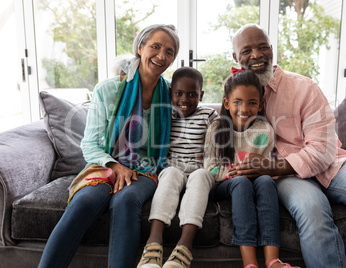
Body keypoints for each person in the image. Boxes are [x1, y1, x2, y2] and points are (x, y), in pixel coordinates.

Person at [230, 23, 346, 268]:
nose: (256, 55)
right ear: (236, 57)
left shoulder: (303, 87)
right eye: (246, 51)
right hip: (287, 178)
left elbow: (323, 149)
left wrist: (271, 166)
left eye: (262, 47)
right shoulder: (237, 94)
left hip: (331, 164)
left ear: (271, 49)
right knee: (313, 211)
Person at [38, 24, 180, 268]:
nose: (161, 56)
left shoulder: (170, 95)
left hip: (146, 168)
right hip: (106, 162)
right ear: (140, 48)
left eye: (169, 52)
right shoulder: (108, 89)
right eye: (155, 47)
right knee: (84, 202)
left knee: (125, 201)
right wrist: (116, 166)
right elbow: (90, 144)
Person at [204, 70, 299, 268]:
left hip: (255, 182)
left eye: (252, 103)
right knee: (241, 182)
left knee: (265, 181)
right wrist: (239, 171)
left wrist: (260, 170)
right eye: (237, 102)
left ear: (261, 104)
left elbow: (265, 167)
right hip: (225, 185)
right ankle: (250, 263)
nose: (244, 108)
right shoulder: (216, 128)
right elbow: (211, 169)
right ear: (226, 103)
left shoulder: (264, 130)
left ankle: (273, 261)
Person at [137, 66, 218, 268]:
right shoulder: (166, 114)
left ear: (201, 94)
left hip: (199, 168)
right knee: (170, 173)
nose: (184, 100)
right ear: (171, 92)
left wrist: (210, 154)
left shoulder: (209, 115)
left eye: (192, 94)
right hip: (172, 167)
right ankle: (153, 242)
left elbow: (219, 144)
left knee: (200, 175)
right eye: (179, 93)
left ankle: (184, 246)